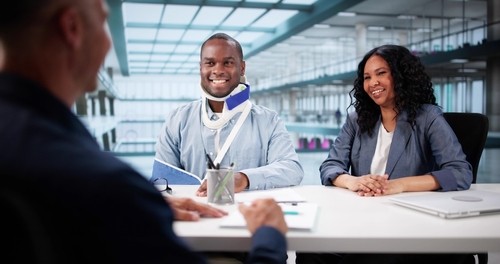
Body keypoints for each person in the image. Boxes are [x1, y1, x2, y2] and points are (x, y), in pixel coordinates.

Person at [0, 1, 288, 263]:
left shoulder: (27, 150)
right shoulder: (107, 186)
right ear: (72, 28)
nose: (107, 43)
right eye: (103, 23)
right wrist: (269, 235)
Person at [296, 45, 474, 264]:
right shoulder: (357, 120)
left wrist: (398, 185)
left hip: (410, 224)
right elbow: (330, 165)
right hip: (362, 218)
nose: (373, 83)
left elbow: (459, 172)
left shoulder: (428, 117)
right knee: (308, 251)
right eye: (367, 77)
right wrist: (353, 181)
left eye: (381, 73)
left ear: (401, 76)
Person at [154, 32, 304, 195]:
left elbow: (292, 169)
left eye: (228, 63)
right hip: (194, 216)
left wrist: (245, 178)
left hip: (247, 216)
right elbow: (161, 181)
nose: (218, 70)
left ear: (242, 68)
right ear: (200, 68)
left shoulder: (268, 120)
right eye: (210, 63)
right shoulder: (177, 120)